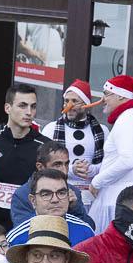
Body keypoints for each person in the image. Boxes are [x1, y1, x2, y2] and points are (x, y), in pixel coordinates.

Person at [0, 84, 46, 228]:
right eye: (23, 106)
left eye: (33, 106)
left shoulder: (45, 147)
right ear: (7, 108)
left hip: (28, 225)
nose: (29, 112)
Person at [86, 76, 133, 233]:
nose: (103, 99)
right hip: (131, 197)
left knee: (104, 251)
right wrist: (94, 169)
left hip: (118, 200)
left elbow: (127, 161)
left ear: (121, 96)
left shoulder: (127, 121)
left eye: (107, 93)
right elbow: (121, 160)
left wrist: (97, 181)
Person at [4, 168, 96, 263]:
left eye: (61, 193)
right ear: (33, 200)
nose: (55, 200)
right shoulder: (16, 238)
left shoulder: (85, 231)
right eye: (46, 194)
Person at [42, 80, 105, 208]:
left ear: (87, 104)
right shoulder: (51, 129)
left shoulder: (102, 131)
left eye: (75, 101)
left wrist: (92, 170)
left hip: (92, 197)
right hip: (59, 196)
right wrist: (71, 170)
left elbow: (109, 163)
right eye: (66, 101)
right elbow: (43, 164)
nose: (69, 106)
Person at [9, 140, 95, 230]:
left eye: (66, 164)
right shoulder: (22, 194)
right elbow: (21, 230)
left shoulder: (74, 192)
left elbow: (89, 228)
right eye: (57, 165)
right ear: (40, 167)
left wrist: (75, 208)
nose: (64, 171)